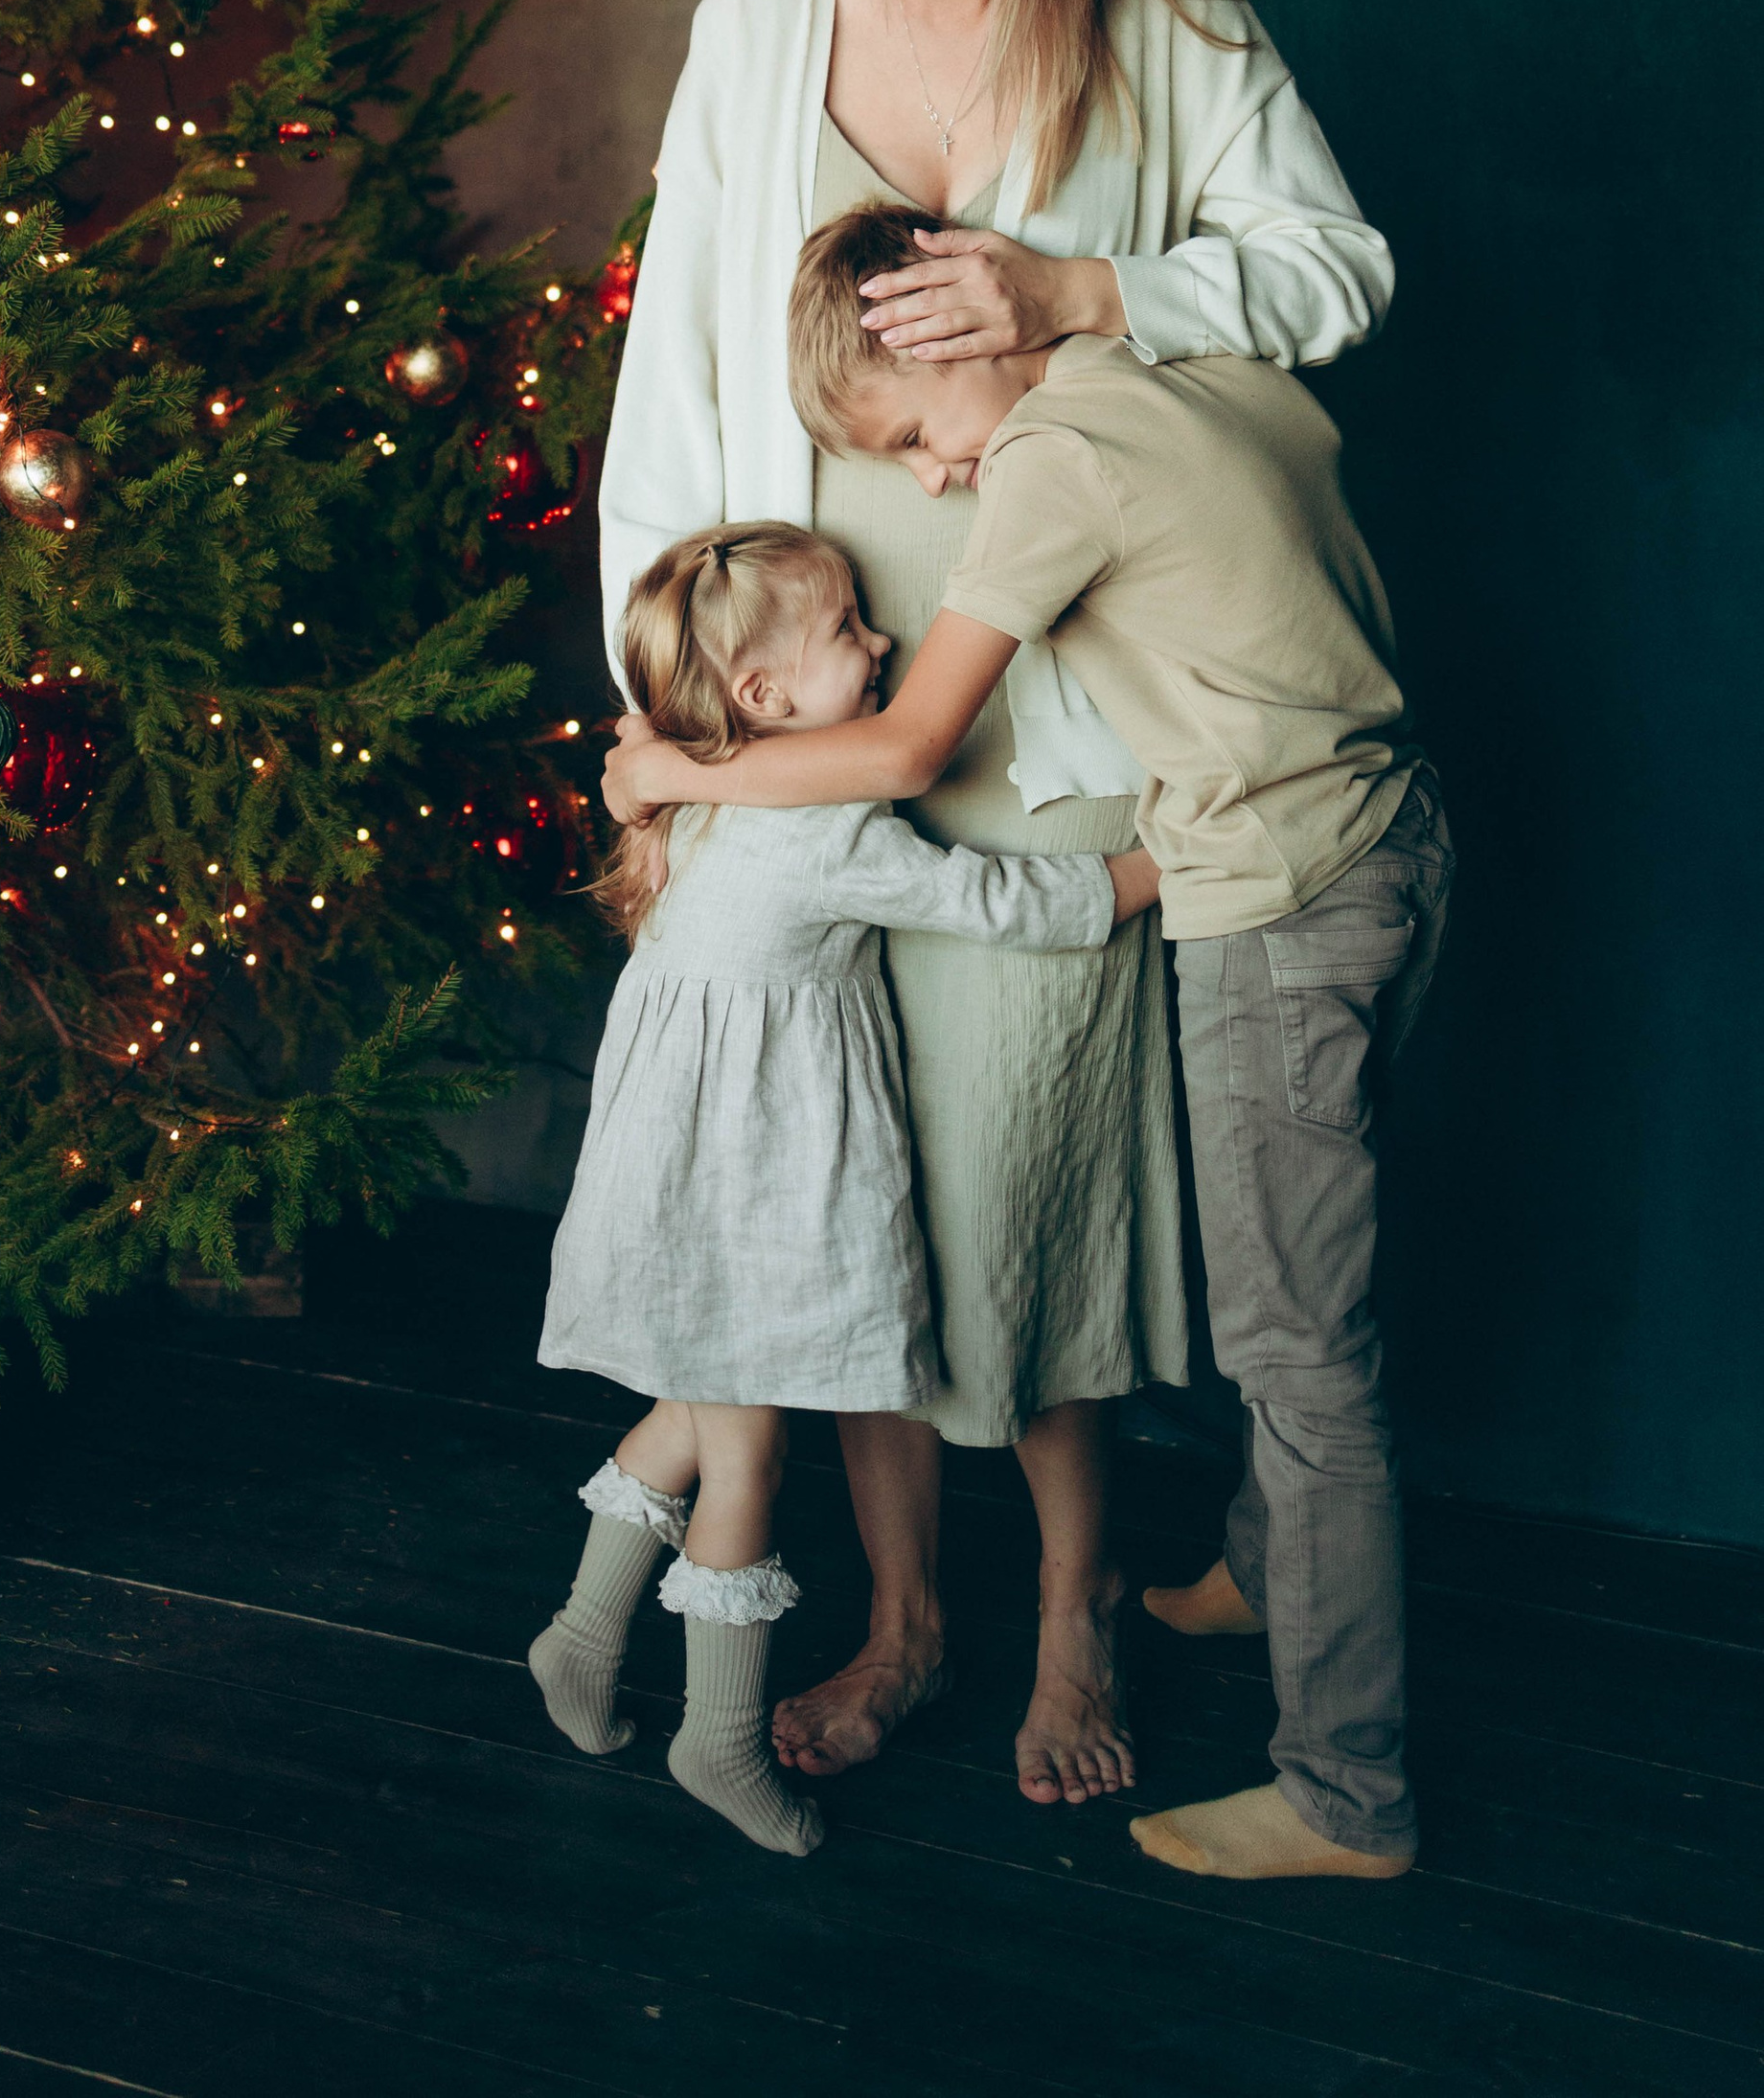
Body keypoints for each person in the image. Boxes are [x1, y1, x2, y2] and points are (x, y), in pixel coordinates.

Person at [596, 0, 1394, 1802]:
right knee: (842, 1200)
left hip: (1044, 728)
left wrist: (1090, 289)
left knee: (1020, 1212)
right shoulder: (759, 16)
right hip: (796, 705)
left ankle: (1069, 1640)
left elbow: (1337, 269)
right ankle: (899, 1623)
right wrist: (676, 733)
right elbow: (670, 390)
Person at [604, 205, 1455, 1881]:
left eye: (915, 438)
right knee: (1306, 1292)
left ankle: (1347, 1794)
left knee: (1298, 1353)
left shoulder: (1056, 458)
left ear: (949, 341)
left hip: (1279, 899)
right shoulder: (1196, 367)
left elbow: (913, 746)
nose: (928, 479)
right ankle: (1256, 1574)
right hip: (1404, 839)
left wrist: (678, 775)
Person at [531, 519, 1163, 1858]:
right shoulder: (817, 821)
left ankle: (582, 1643)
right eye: (848, 633)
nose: (883, 640)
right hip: (750, 1185)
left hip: (670, 1171)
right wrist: (1149, 872)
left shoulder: (698, 785)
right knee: (745, 1453)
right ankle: (716, 1739)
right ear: (762, 697)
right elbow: (990, 901)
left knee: (692, 1425)